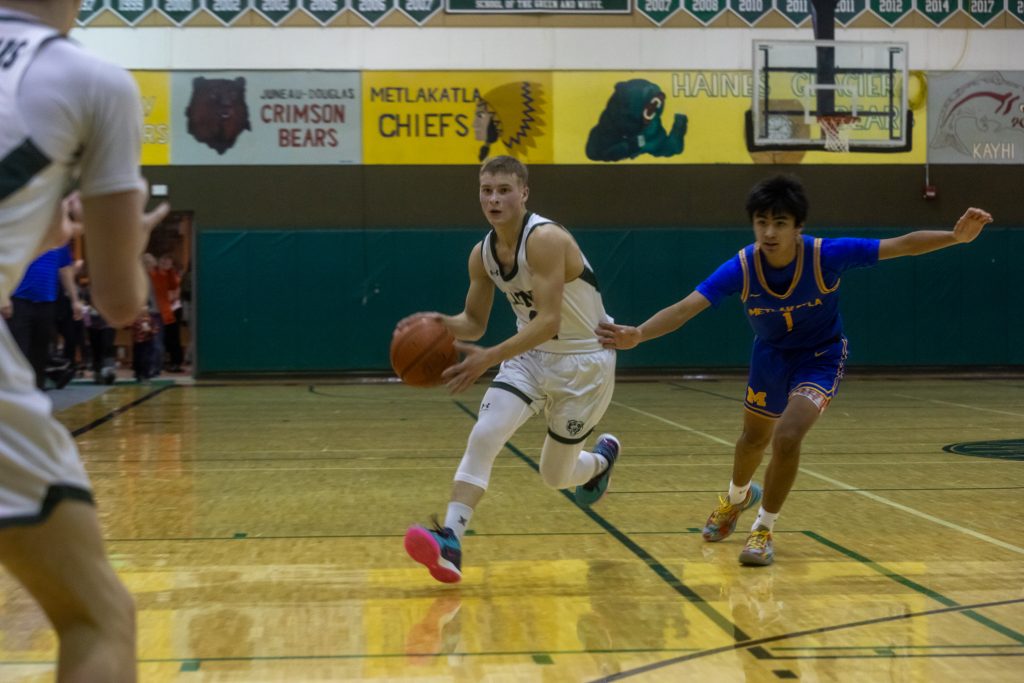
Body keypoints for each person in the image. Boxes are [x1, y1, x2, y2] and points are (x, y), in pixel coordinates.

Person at [597, 175, 992, 567]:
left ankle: (763, 528)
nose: (769, 232)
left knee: (786, 436)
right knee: (752, 440)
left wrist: (956, 237)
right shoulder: (743, 266)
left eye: (780, 223)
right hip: (770, 357)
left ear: (797, 227)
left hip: (820, 357)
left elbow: (901, 245)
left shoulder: (825, 255)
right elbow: (687, 307)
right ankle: (735, 499)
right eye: (762, 222)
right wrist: (640, 333)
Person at [0, 1, 170, 679]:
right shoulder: (92, 80)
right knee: (96, 615)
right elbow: (121, 303)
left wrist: (55, 224)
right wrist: (128, 247)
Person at [400, 155, 620, 584]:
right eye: (487, 190)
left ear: (524, 193)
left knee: (556, 476)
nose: (494, 199)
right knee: (484, 434)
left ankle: (600, 462)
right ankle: (451, 541)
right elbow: (474, 322)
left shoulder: (546, 239)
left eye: (504, 190)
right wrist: (436, 324)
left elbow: (550, 320)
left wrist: (487, 356)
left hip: (584, 360)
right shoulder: (481, 254)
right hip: (530, 357)